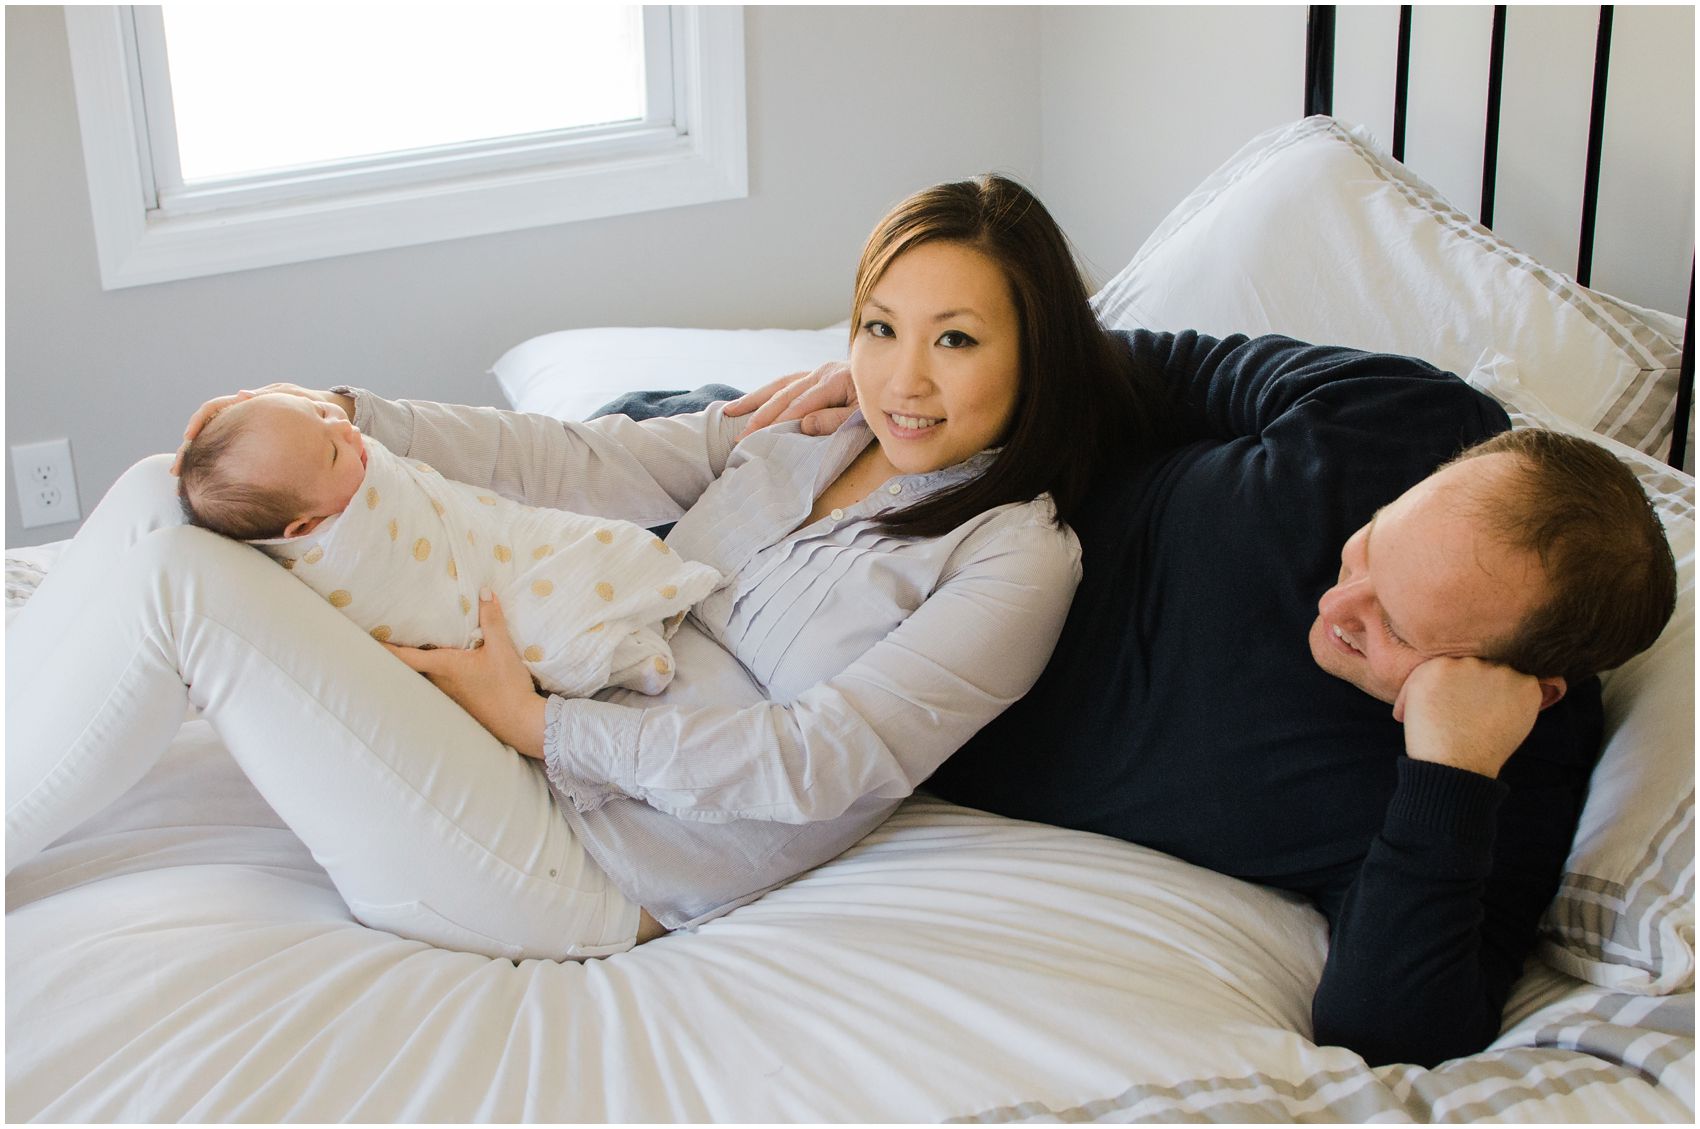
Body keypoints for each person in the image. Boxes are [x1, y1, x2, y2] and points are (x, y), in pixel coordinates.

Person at [5, 175, 1168, 959]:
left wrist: (540, 729)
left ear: (1039, 349)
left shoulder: (1017, 557)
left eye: (954, 339)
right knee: (167, 487)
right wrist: (335, 414)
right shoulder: (818, 424)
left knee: (184, 590)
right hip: (510, 733)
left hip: (584, 861)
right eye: (879, 327)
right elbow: (574, 460)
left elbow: (822, 764)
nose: (902, 378)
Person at [728, 330, 1678, 1067]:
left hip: (806, 679)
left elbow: (1392, 1030)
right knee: (611, 451)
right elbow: (1148, 368)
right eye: (1372, 543)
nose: (1335, 603)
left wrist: (1451, 774)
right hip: (868, 492)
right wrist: (915, 389)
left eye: (1396, 623)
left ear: (1526, 689)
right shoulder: (1406, 417)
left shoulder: (1494, 789)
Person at [176, 391, 723, 697]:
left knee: (654, 408)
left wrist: (323, 411)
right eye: (332, 453)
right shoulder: (338, 555)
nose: (347, 432)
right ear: (301, 531)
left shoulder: (329, 479)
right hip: (528, 580)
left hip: (582, 499)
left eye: (325, 418)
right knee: (658, 409)